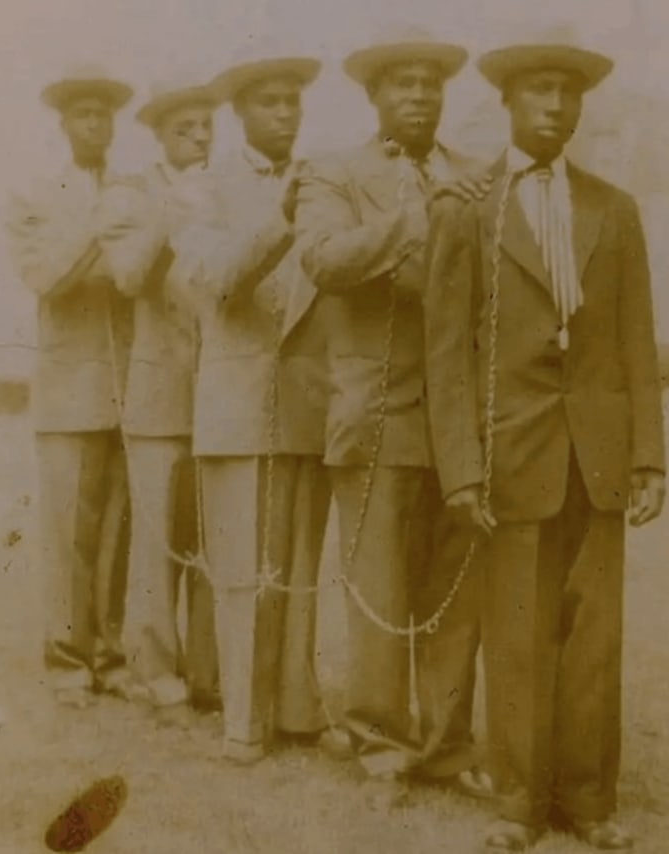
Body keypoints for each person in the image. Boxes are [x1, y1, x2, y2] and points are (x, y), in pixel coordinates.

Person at [423, 26, 666, 852]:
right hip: (510, 453)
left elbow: (635, 340)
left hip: (598, 455)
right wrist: (462, 470)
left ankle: (589, 803)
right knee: (519, 631)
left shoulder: (614, 209)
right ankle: (519, 805)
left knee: (595, 634)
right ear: (507, 101)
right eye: (540, 91)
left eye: (569, 94)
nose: (556, 107)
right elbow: (447, 352)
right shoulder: (468, 209)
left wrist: (648, 457)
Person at [293, 25, 491, 798]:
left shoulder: (477, 174)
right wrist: (418, 217)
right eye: (402, 84)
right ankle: (378, 738)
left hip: (462, 424)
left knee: (454, 591)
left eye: (430, 84)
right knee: (377, 587)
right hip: (376, 413)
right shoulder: (334, 174)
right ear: (373, 95)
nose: (418, 95)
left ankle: (446, 746)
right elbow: (323, 261)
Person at [167, 44, 334, 763]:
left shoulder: (321, 178)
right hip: (236, 406)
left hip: (308, 402)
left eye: (293, 101)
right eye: (270, 102)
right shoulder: (200, 189)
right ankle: (244, 720)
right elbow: (216, 279)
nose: (285, 113)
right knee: (242, 574)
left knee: (298, 569)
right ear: (238, 113)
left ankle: (296, 711)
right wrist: (282, 218)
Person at [5, 66, 138, 709]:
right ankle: (66, 660)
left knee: (116, 534)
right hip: (67, 394)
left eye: (104, 114)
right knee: (69, 536)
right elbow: (46, 277)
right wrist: (99, 227)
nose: (96, 125)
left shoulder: (131, 190)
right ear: (63, 124)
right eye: (84, 114)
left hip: (128, 390)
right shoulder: (35, 196)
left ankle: (108, 656)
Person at [98, 74, 222, 728]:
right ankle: (152, 668)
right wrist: (170, 217)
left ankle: (206, 672)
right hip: (158, 391)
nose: (201, 138)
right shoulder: (131, 194)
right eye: (186, 129)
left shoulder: (224, 188)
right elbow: (124, 275)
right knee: (154, 543)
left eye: (207, 127)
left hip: (220, 392)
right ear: (158, 136)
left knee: (210, 540)